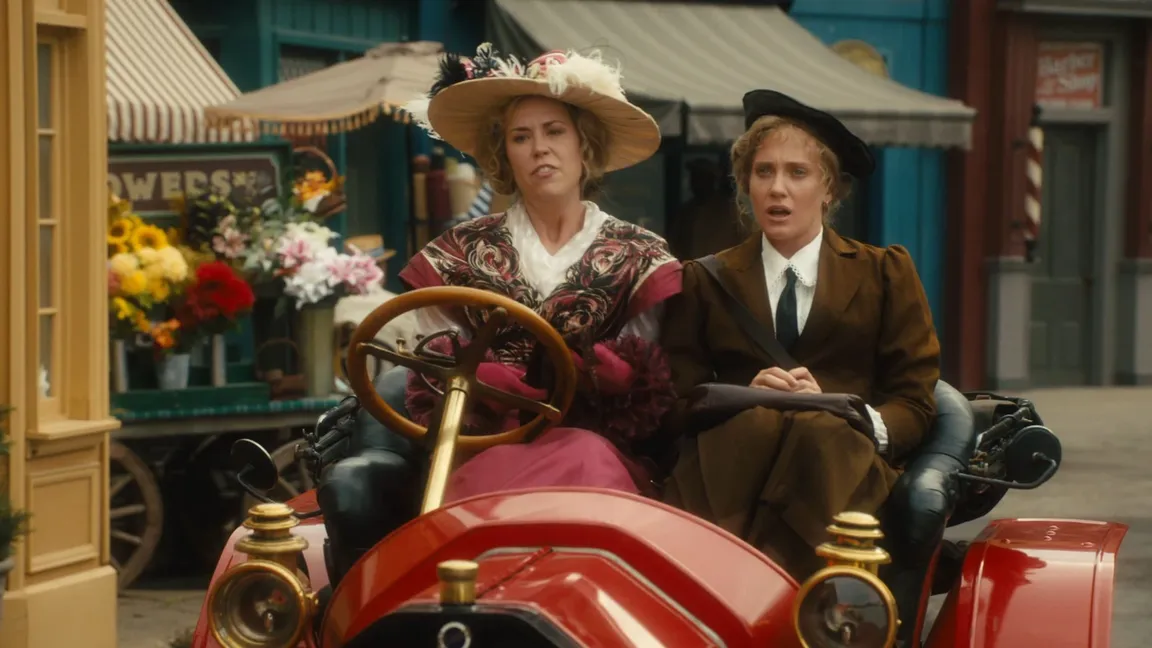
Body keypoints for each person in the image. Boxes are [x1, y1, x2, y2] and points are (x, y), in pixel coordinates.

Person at [317, 43, 682, 580]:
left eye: (554, 132)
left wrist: (603, 376)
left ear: (585, 144)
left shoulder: (641, 255)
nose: (540, 149)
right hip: (484, 446)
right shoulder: (456, 252)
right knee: (476, 492)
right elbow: (433, 373)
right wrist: (477, 383)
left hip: (596, 445)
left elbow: (648, 381)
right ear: (503, 154)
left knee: (588, 464)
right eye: (521, 137)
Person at [657, 90, 940, 581]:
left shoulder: (884, 273)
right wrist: (742, 397)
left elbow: (914, 404)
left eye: (798, 173)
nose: (777, 189)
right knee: (754, 426)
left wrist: (844, 410)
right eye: (763, 172)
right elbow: (674, 402)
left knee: (820, 434)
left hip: (840, 478)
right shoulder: (705, 278)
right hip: (734, 472)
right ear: (746, 184)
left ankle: (813, 599)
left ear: (829, 189)